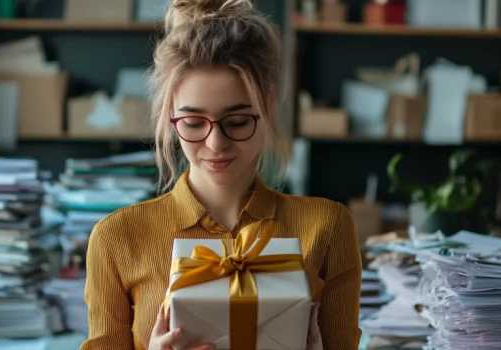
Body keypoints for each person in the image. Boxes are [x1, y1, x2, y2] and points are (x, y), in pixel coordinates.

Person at [80, 0, 362, 349]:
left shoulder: (327, 226)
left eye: (237, 121)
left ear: (269, 103)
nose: (216, 143)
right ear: (170, 115)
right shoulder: (116, 238)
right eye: (194, 123)